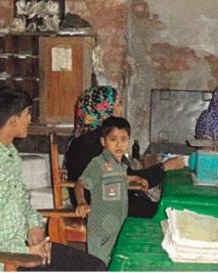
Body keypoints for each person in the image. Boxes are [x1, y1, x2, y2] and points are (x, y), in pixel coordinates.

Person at [0, 86, 105, 271]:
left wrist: (34, 227)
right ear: (13, 120)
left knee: (96, 267)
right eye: (27, 114)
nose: (30, 119)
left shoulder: (10, 156)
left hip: (22, 248)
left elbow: (22, 201)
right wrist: (22, 251)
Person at [64, 86, 185, 218]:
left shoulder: (88, 138)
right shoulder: (91, 143)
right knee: (165, 214)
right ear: (103, 109)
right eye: (118, 104)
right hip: (100, 207)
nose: (121, 109)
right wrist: (164, 167)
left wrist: (137, 177)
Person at [73, 116, 147, 265]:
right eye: (113, 139)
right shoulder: (98, 163)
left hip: (118, 226)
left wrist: (135, 178)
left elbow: (116, 179)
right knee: (99, 264)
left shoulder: (121, 164)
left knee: (115, 262)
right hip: (101, 230)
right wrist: (81, 202)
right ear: (103, 141)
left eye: (123, 139)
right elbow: (80, 184)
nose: (119, 144)